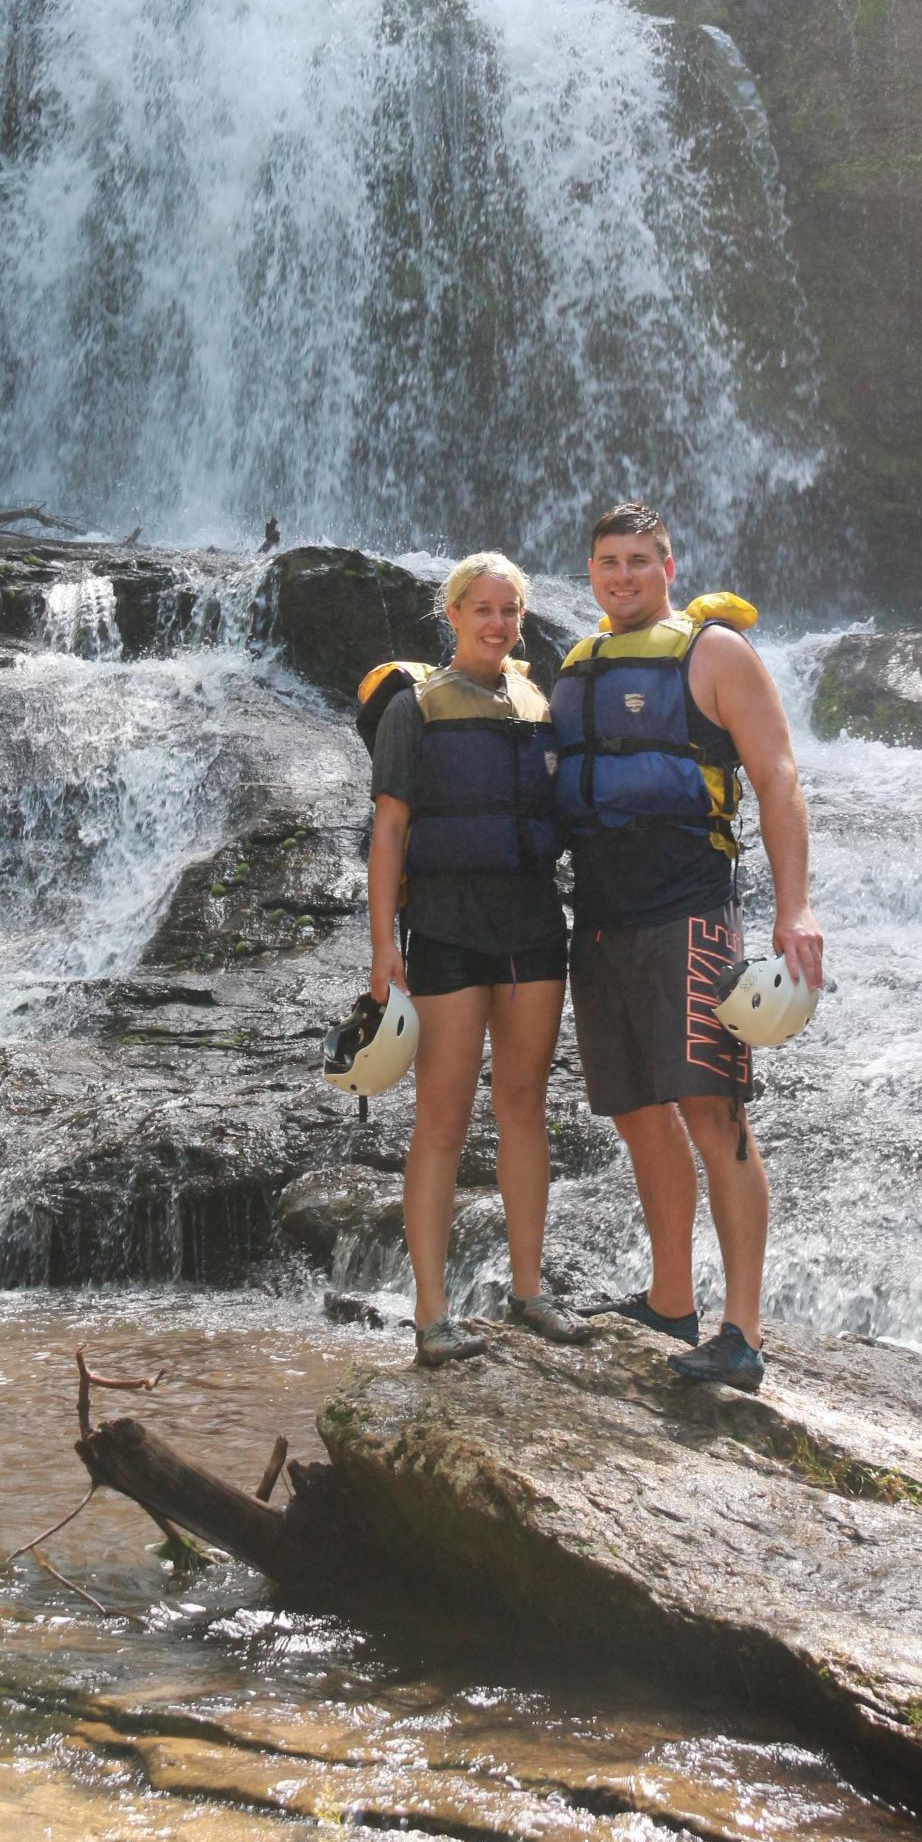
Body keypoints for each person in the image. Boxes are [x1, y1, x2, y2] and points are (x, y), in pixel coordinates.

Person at [547, 501, 824, 1390]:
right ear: (589, 572)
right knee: (636, 1113)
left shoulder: (715, 654)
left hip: (691, 916)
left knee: (714, 1114)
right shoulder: (575, 668)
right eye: (607, 562)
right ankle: (671, 1299)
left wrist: (795, 910)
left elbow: (778, 777)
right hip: (598, 921)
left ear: (670, 566)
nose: (622, 575)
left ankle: (740, 1332)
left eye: (639, 559)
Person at [365, 552, 592, 1366]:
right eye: (481, 609)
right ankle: (432, 1317)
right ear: (452, 615)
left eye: (509, 612)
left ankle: (528, 1292)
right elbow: (390, 831)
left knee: (525, 1104)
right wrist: (383, 947)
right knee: (443, 1120)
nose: (497, 624)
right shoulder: (413, 710)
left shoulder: (541, 703)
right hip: (449, 931)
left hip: (533, 929)